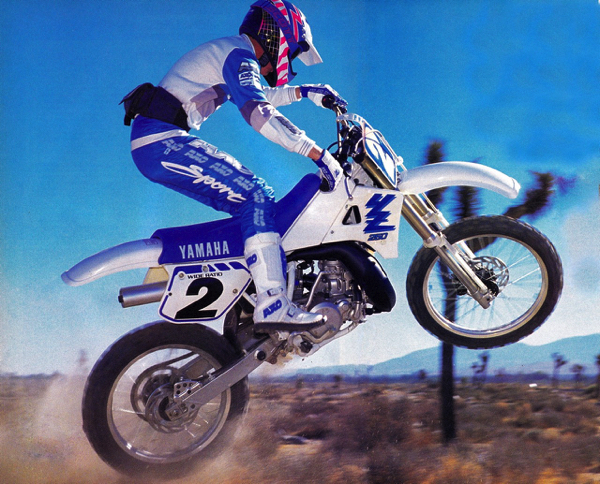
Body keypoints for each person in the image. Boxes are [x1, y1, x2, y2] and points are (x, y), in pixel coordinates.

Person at [120, 0, 347, 333]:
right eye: (293, 53)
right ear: (278, 35)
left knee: (250, 205)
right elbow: (259, 113)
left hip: (155, 141)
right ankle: (272, 301)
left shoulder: (233, 53)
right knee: (257, 197)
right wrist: (317, 154)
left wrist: (306, 92)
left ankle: (251, 291)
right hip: (161, 141)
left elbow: (260, 94)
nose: (290, 62)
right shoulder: (239, 56)